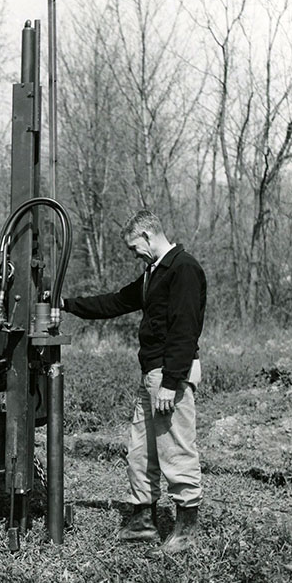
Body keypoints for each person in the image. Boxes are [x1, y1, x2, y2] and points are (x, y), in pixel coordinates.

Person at [60, 210, 207, 554]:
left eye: (134, 247)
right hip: (151, 373)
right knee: (140, 450)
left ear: (147, 235)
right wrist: (65, 304)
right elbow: (115, 302)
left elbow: (186, 329)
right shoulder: (153, 274)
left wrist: (172, 381)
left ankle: (186, 530)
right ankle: (142, 520)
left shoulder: (183, 269)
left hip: (170, 373)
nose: (134, 254)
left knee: (176, 448)